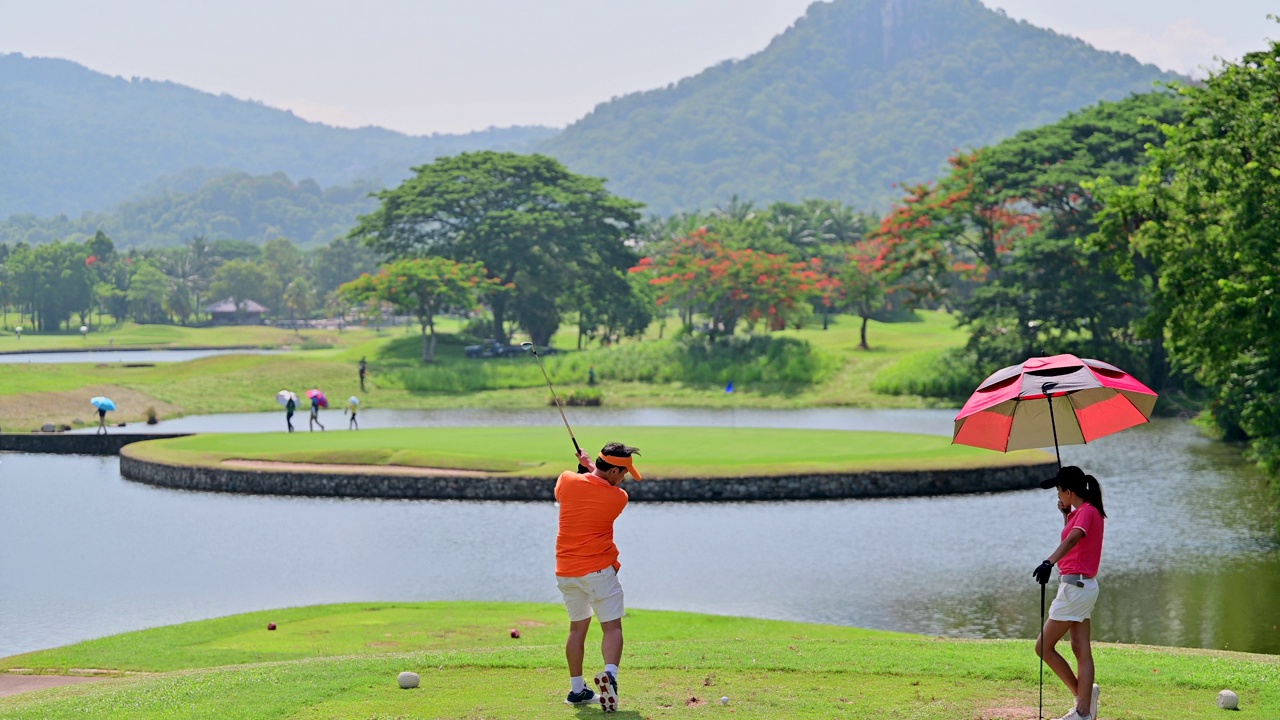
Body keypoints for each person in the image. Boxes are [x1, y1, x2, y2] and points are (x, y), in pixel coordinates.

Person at [554, 441, 642, 712]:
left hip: (566, 571)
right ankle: (611, 676)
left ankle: (577, 690)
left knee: (577, 628)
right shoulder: (619, 498)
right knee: (612, 627)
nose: (625, 478)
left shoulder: (566, 481)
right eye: (624, 473)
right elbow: (600, 485)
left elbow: (583, 483)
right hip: (599, 571)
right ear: (615, 471)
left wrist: (586, 467)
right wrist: (589, 466)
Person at [1033, 465, 1106, 720]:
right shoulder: (1084, 512)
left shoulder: (1086, 513)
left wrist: (1048, 562)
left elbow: (1073, 540)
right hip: (1082, 586)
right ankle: (1084, 704)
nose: (1058, 496)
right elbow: (1075, 540)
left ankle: (1083, 706)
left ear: (1068, 490)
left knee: (1043, 647)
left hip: (1075, 588)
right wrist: (1066, 515)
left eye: (1059, 491)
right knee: (1080, 647)